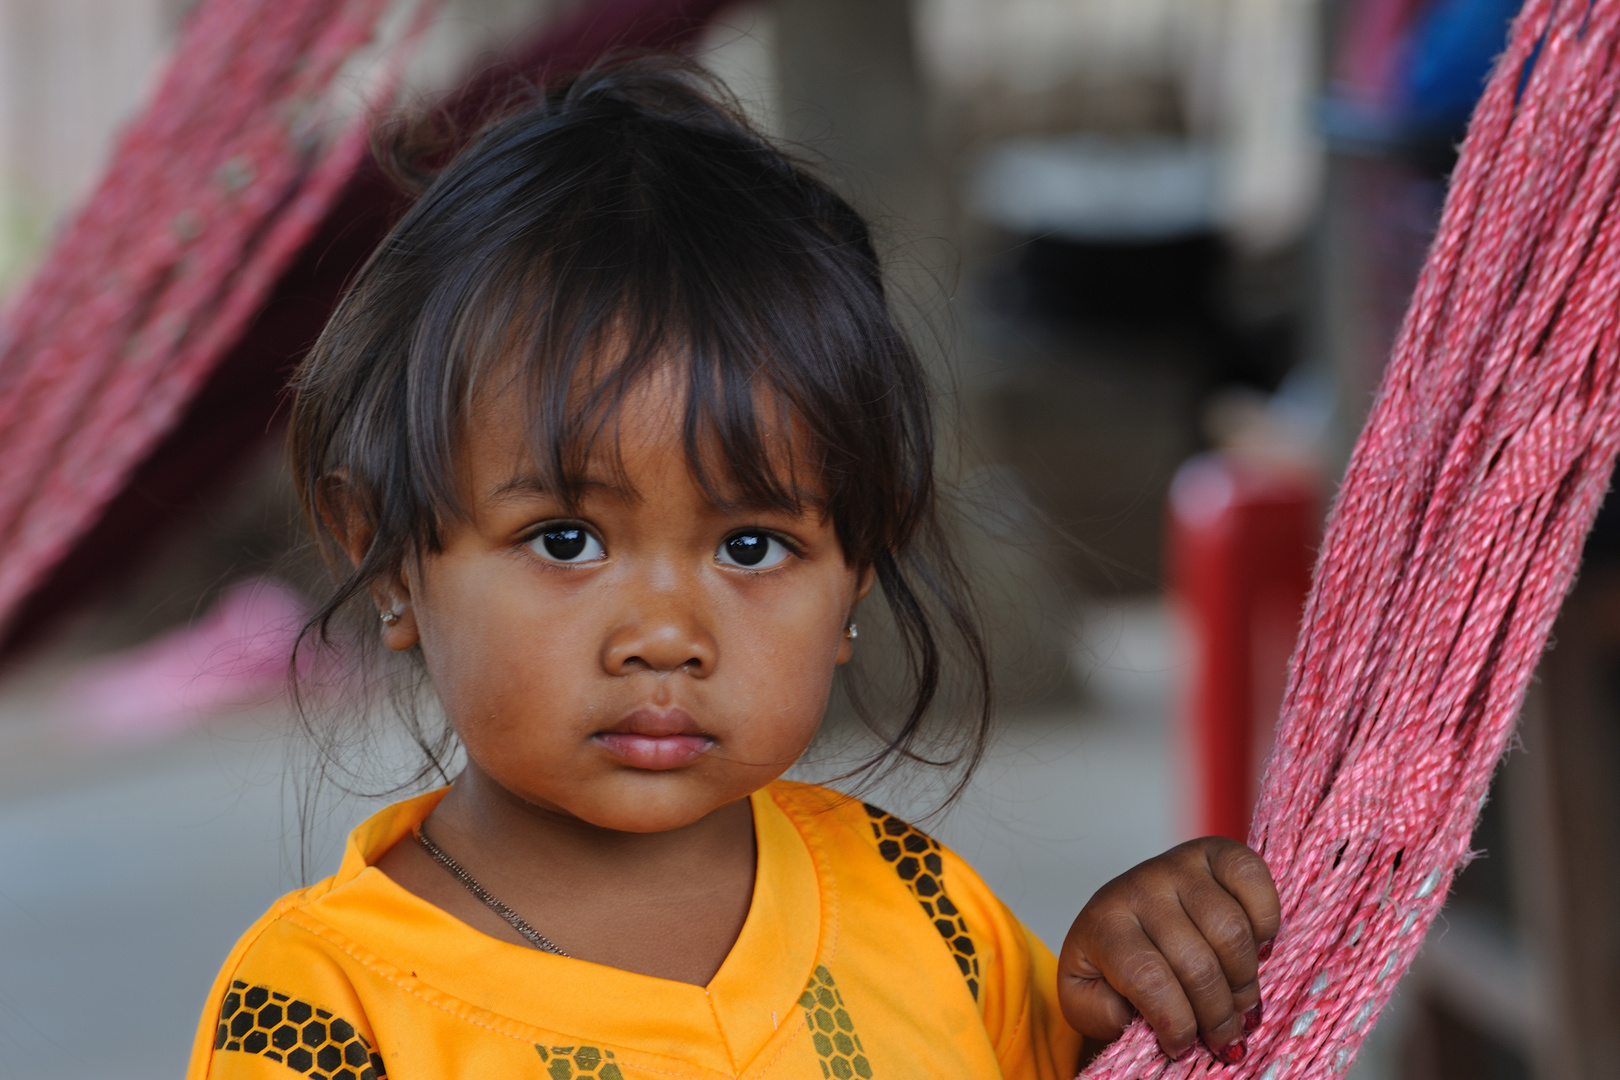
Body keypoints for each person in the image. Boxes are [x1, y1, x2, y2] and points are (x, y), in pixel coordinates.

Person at [185, 59, 1279, 1080]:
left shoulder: (921, 907)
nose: (665, 633)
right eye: (566, 538)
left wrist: (1124, 992)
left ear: (855, 573)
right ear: (386, 561)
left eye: (752, 546)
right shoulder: (321, 1016)